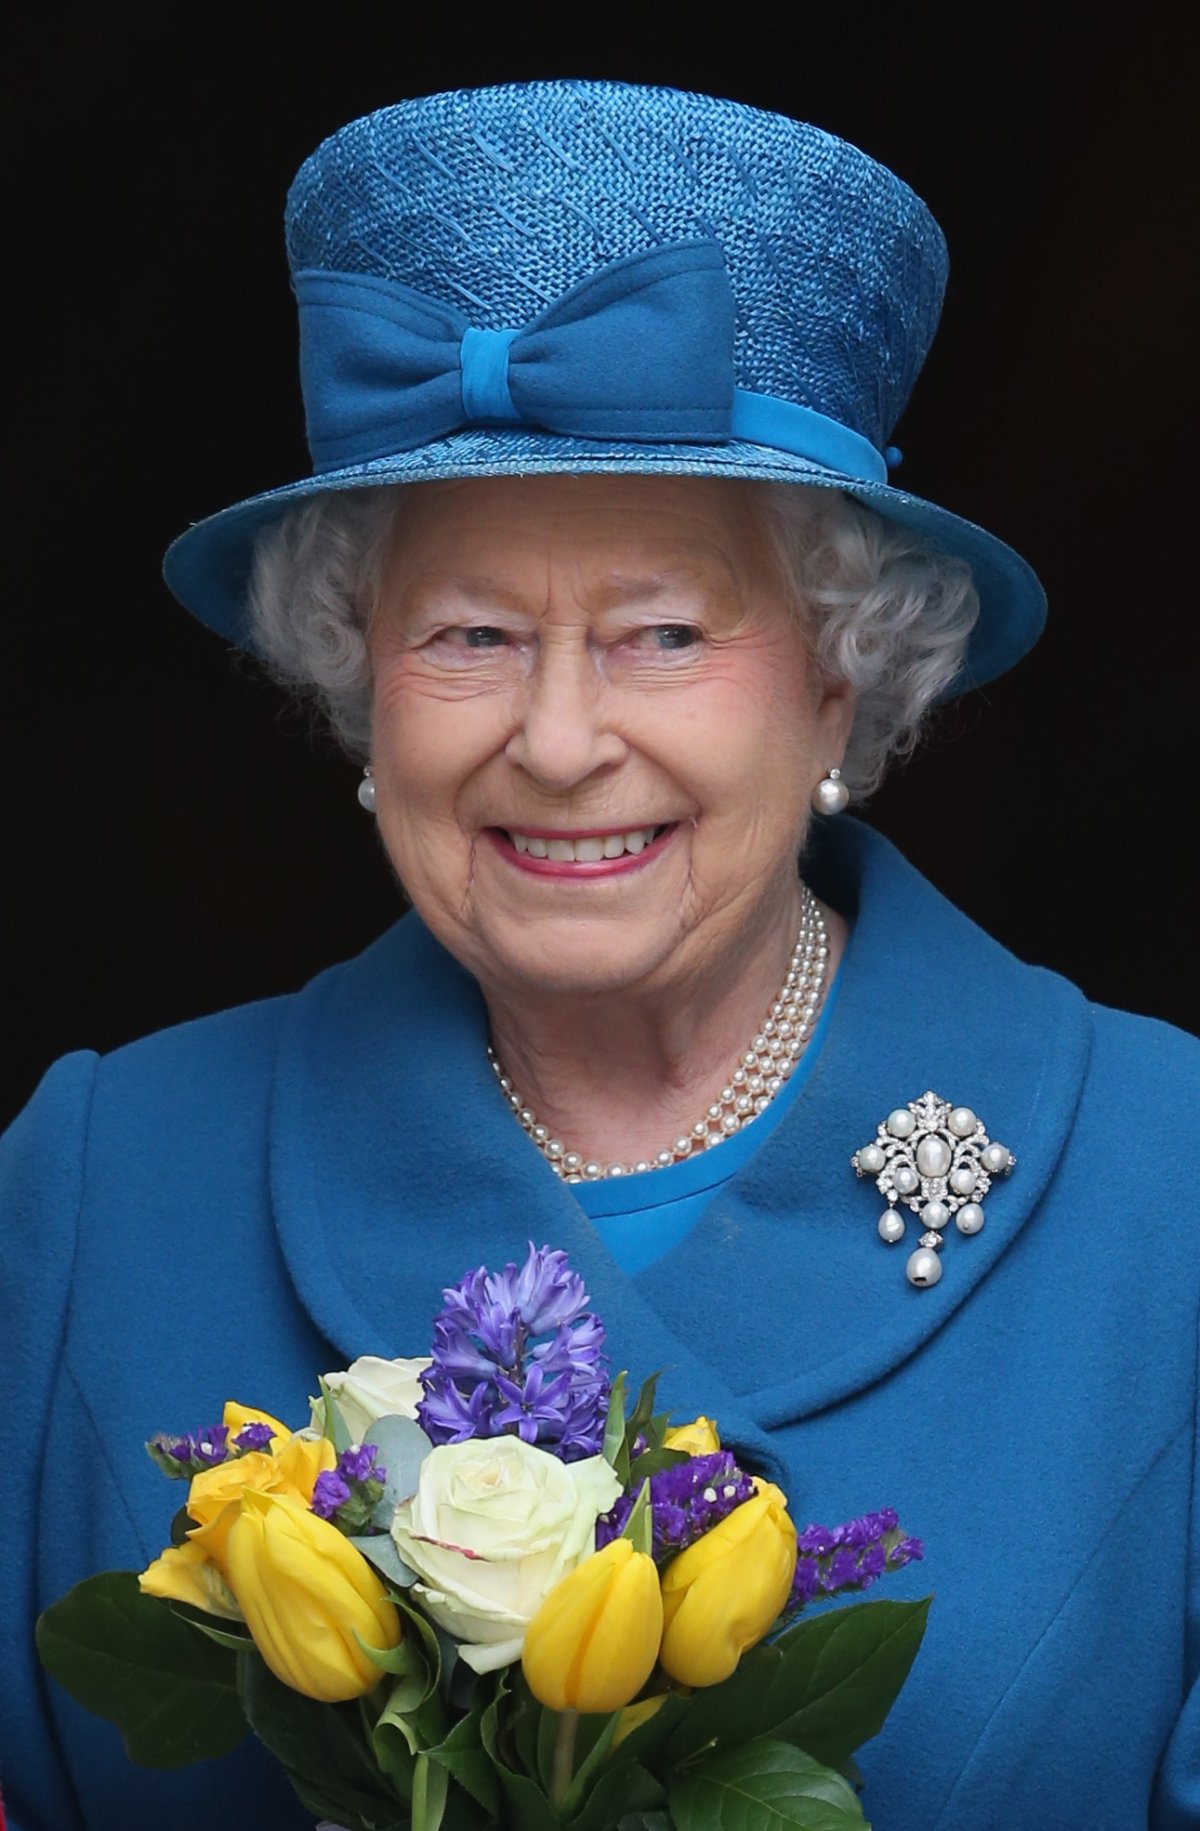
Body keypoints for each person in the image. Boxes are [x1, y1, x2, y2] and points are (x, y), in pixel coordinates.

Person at [2, 78, 1196, 1831]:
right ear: (361, 691)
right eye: (469, 633)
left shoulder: (1172, 1187)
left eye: (661, 630)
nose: (559, 742)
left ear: (838, 689)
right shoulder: (92, 1184)